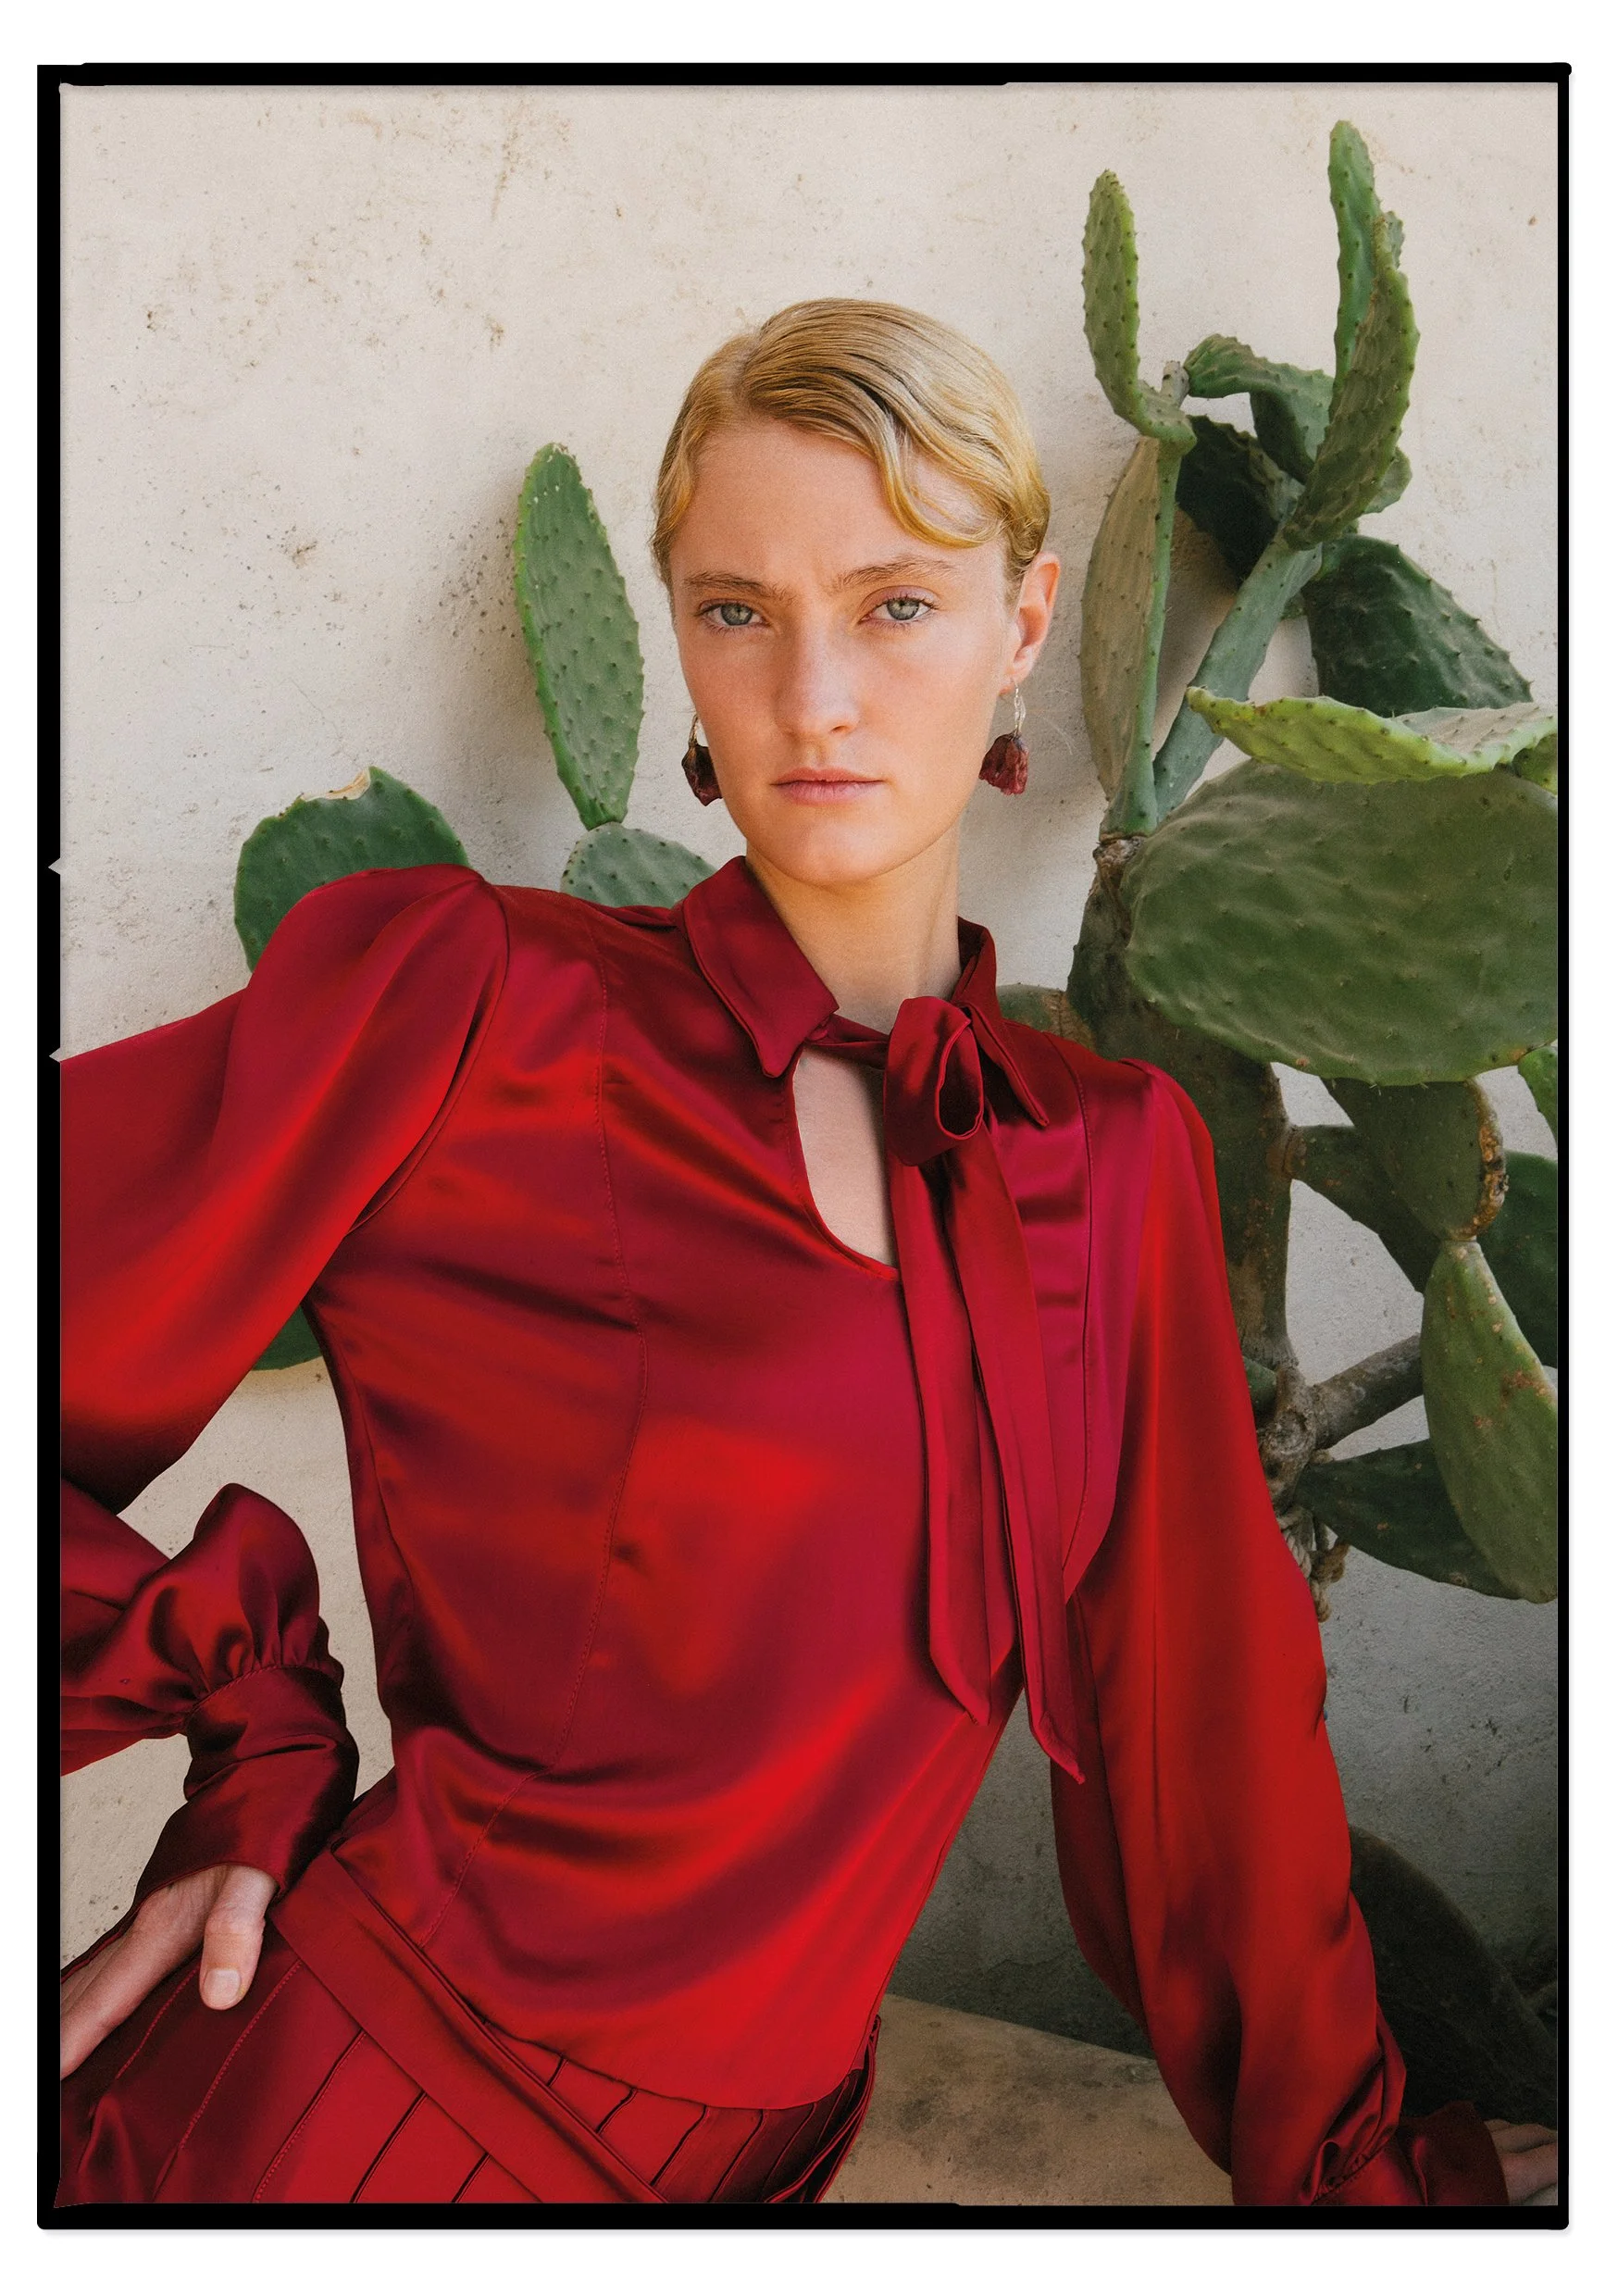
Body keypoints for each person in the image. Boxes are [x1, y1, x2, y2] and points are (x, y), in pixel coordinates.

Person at [58, 299, 1557, 2209]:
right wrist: (250, 1729)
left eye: (893, 605)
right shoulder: (471, 999)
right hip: (335, 2124)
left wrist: (1366, 2174)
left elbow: (1208, 1755)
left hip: (760, 2188)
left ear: (1026, 626)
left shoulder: (1109, 1162)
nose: (812, 696)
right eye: (735, 610)